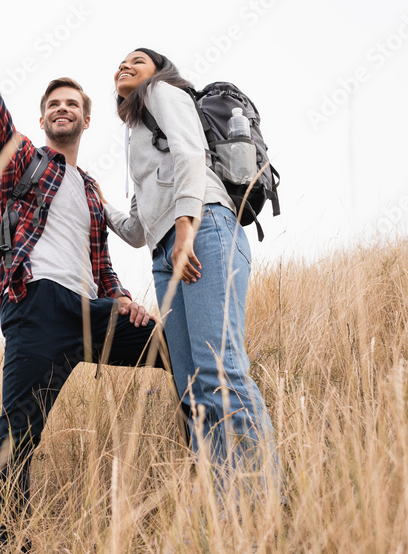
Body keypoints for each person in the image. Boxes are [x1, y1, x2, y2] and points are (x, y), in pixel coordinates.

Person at [0, 0, 172, 543]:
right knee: (19, 433)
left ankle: (212, 457)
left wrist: (125, 301)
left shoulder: (89, 189)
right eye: (53, 105)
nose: (63, 109)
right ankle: (13, 540)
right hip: (36, 306)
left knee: (175, 349)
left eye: (72, 105)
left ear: (86, 122)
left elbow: (99, 261)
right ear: (43, 121)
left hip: (91, 308)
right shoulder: (24, 165)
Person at [104, 48, 280, 495]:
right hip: (166, 251)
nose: (125, 65)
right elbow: (137, 230)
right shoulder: (137, 135)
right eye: (120, 61)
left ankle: (260, 500)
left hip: (203, 230)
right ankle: (226, 509)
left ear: (158, 71)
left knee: (218, 370)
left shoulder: (163, 91)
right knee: (191, 389)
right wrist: (95, 198)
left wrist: (185, 226)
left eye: (137, 60)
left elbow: (190, 153)